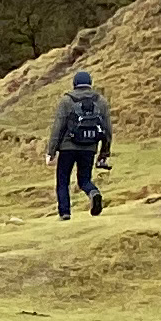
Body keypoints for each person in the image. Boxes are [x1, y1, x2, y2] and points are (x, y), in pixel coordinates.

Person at [48, 64, 112, 220]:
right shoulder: (101, 101)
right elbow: (107, 130)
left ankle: (65, 213)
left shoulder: (66, 100)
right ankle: (93, 192)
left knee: (63, 180)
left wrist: (51, 151)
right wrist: (104, 152)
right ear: (90, 83)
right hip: (89, 147)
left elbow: (58, 126)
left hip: (67, 147)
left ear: (74, 84)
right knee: (84, 179)